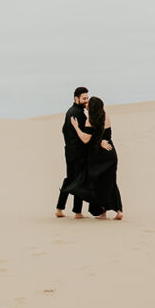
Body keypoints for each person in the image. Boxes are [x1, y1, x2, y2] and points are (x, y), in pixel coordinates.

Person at [55, 87, 113, 219]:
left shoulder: (71, 112)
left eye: (87, 98)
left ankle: (61, 208)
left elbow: (65, 131)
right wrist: (97, 143)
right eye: (84, 98)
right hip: (77, 154)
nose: (86, 101)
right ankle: (76, 212)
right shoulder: (78, 114)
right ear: (76, 99)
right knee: (77, 181)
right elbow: (85, 137)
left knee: (71, 180)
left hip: (70, 152)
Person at [63, 95, 123, 220]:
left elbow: (85, 139)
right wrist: (101, 140)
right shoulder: (107, 117)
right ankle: (118, 211)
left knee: (96, 184)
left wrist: (75, 126)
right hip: (110, 153)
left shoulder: (90, 120)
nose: (86, 104)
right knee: (110, 183)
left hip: (97, 156)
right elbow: (103, 134)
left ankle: (102, 212)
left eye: (88, 103)